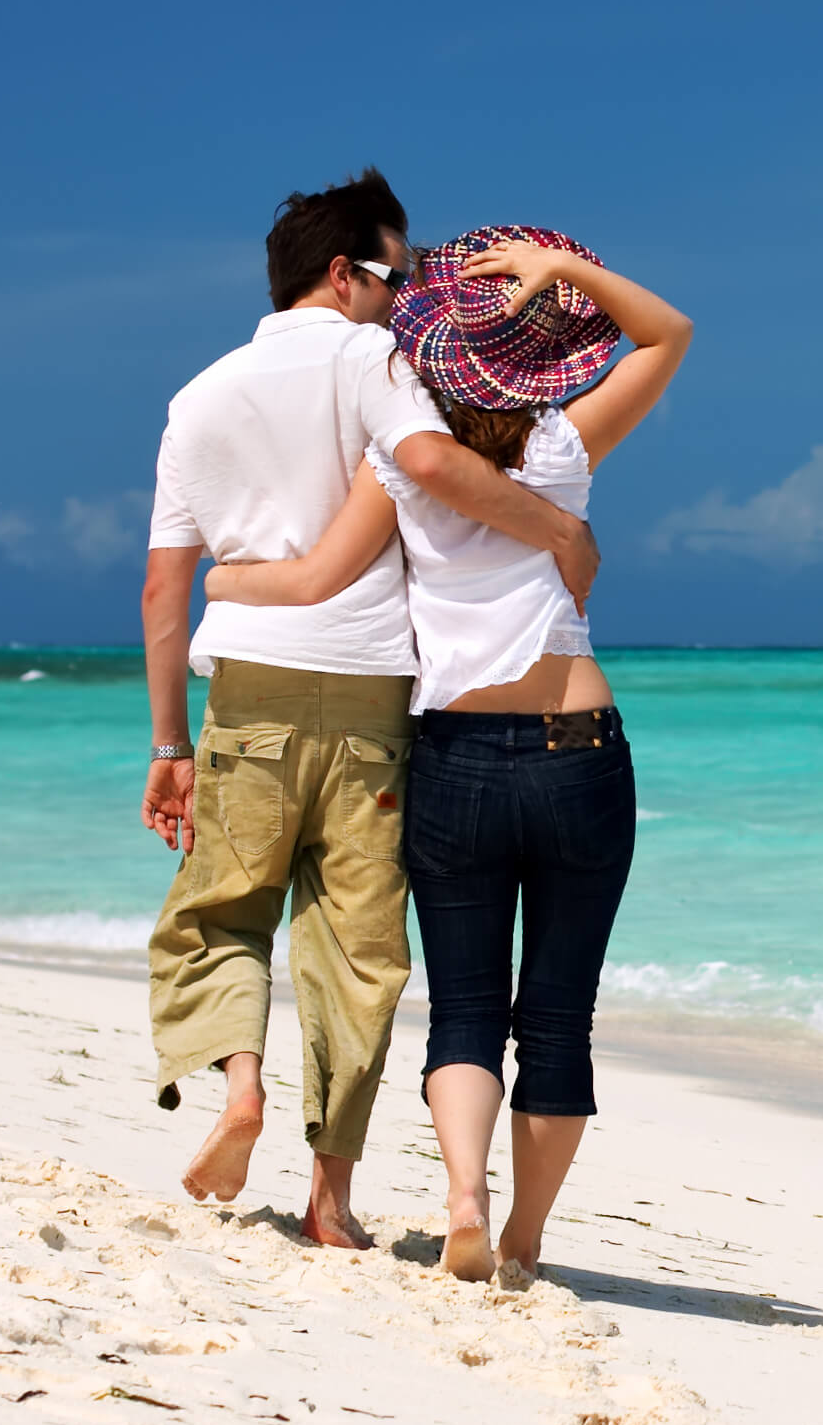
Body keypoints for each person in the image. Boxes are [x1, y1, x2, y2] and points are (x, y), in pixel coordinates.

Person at [206, 226, 690, 1281]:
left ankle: (462, 1196)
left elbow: (314, 579)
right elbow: (668, 334)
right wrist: (560, 273)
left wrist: (222, 583)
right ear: (549, 355)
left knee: (466, 1004)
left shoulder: (405, 462)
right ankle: (519, 1240)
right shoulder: (563, 444)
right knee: (558, 1016)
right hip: (578, 747)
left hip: (456, 756)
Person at [142, 171, 603, 1249]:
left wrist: (168, 742)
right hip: (371, 694)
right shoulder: (379, 360)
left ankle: (242, 1089)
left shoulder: (199, 396)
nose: (407, 304)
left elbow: (168, 588)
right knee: (357, 948)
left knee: (220, 914)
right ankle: (331, 1198)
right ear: (344, 274)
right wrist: (556, 530)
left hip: (246, 685)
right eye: (397, 277)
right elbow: (431, 461)